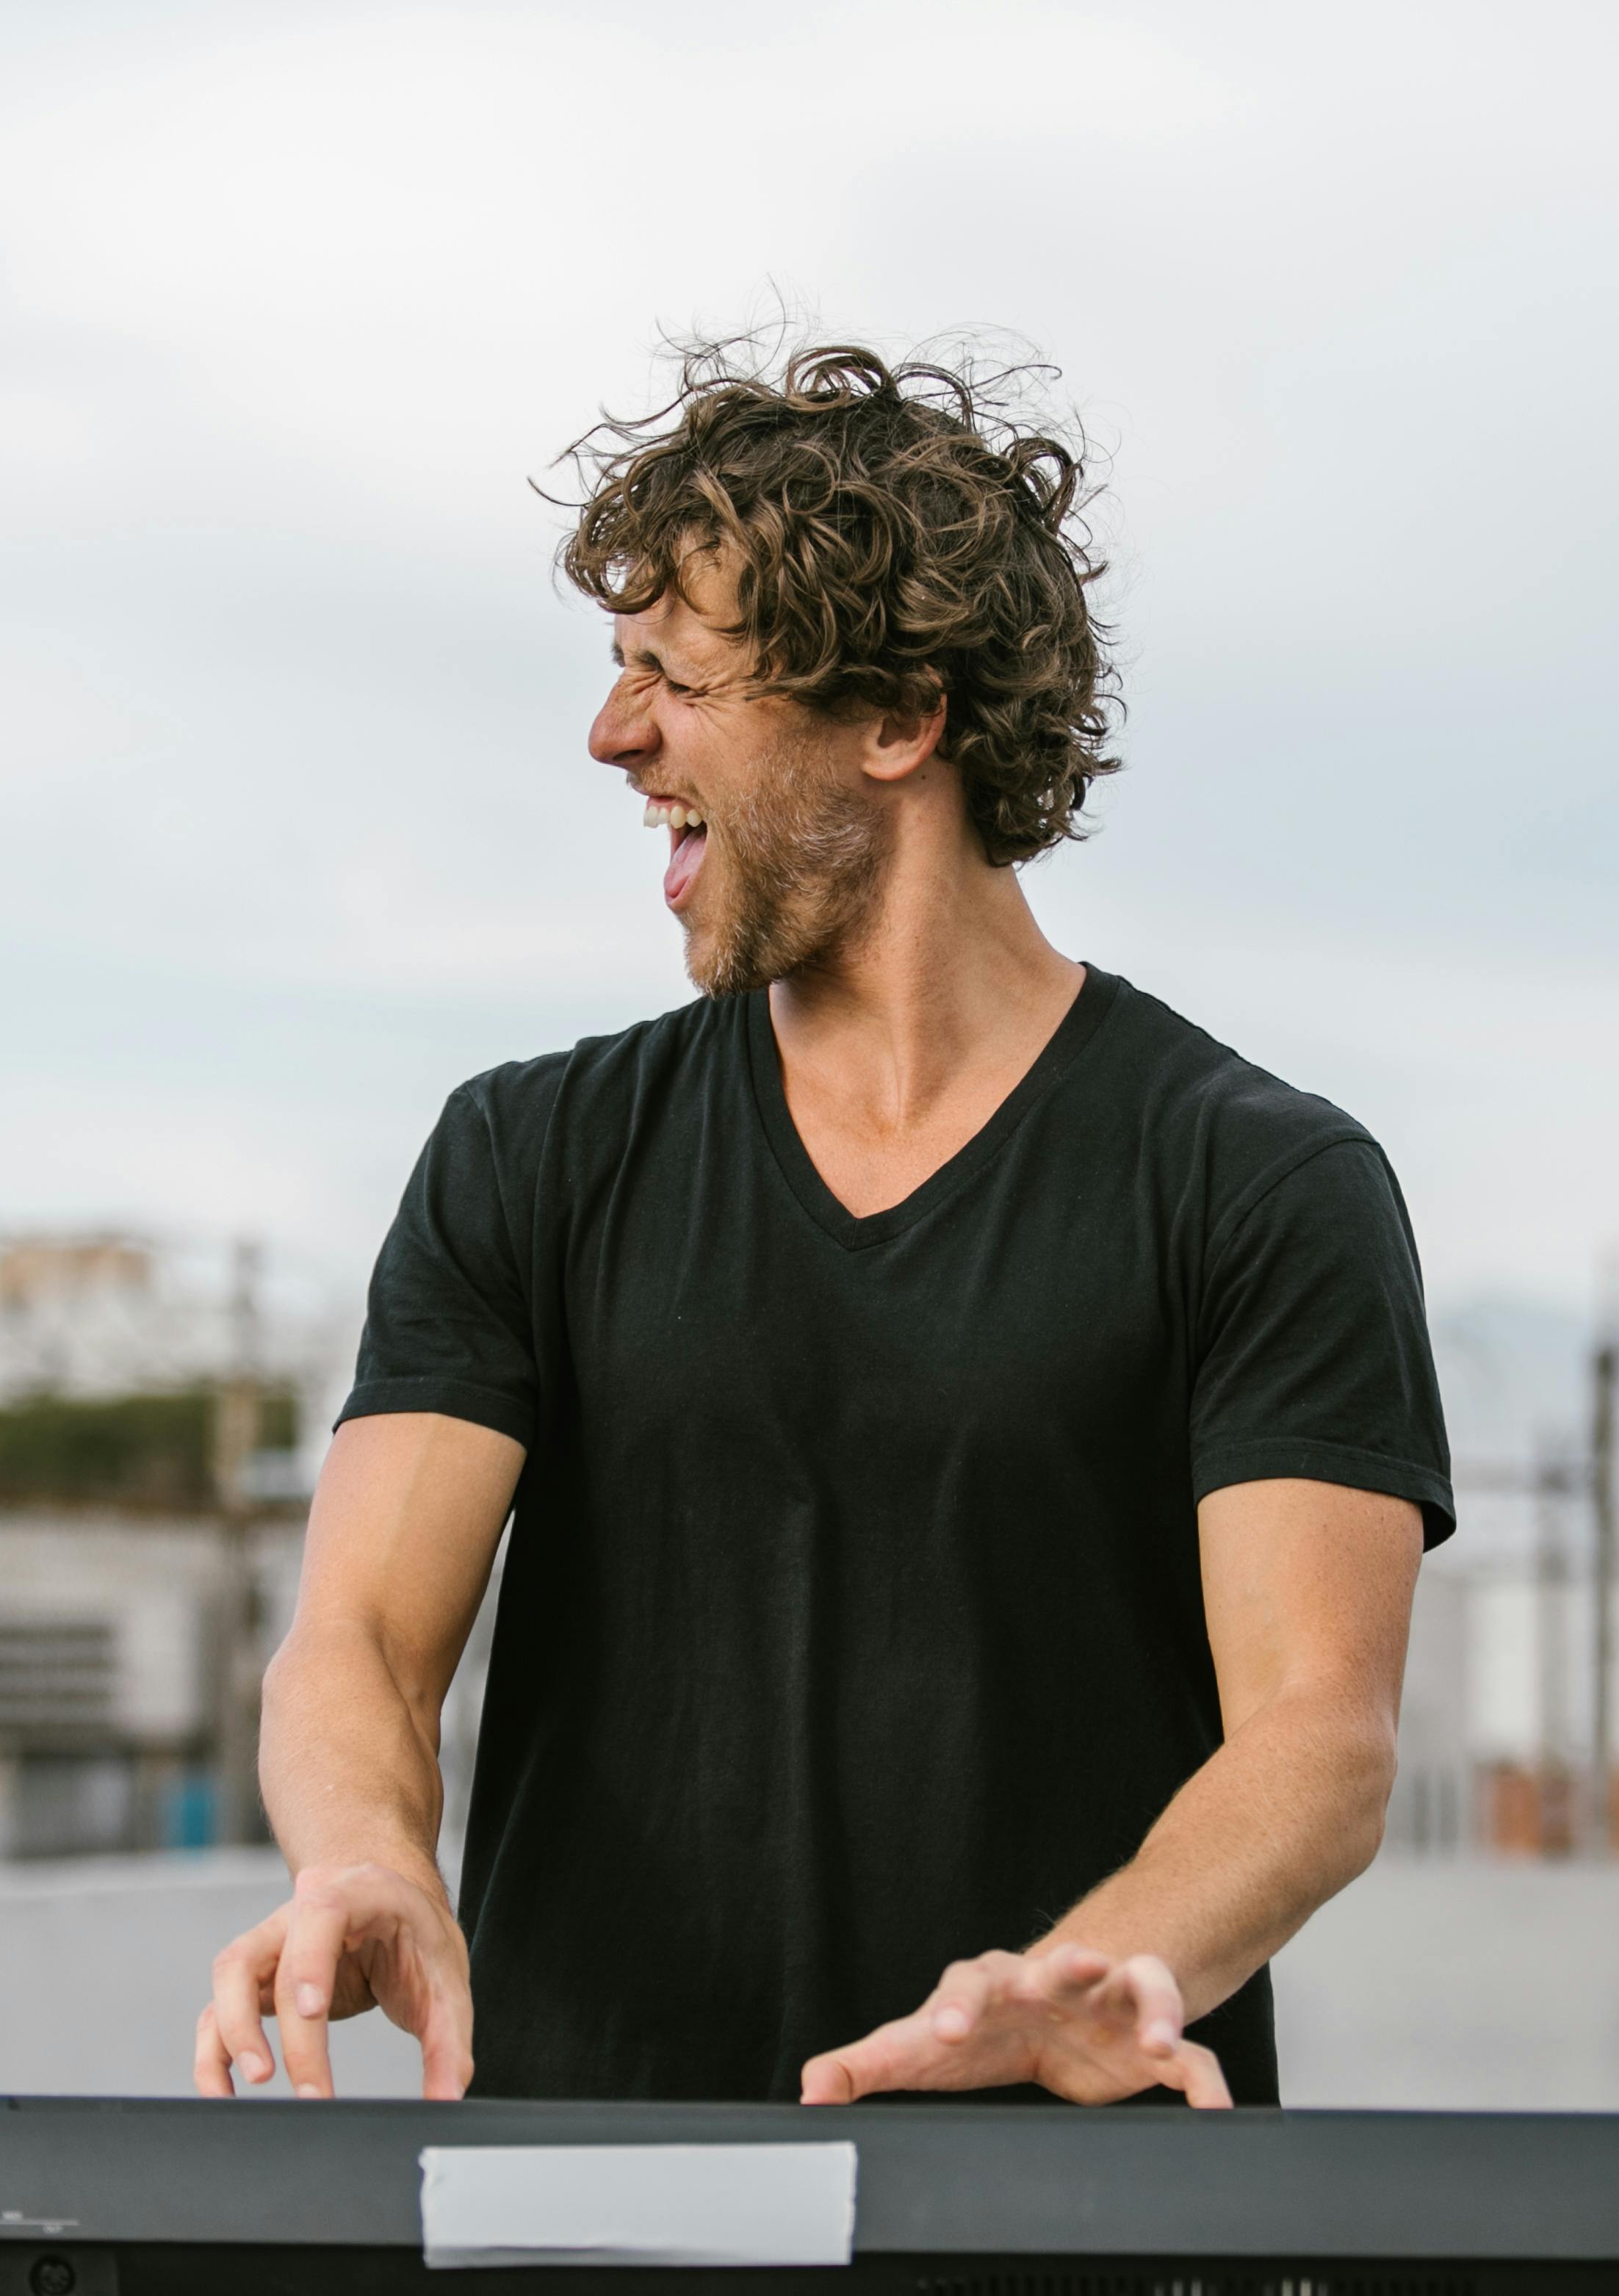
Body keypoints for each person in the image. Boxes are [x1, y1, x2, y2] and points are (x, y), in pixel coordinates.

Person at [193, 342, 1450, 2110]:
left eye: (669, 676)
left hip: (1060, 2223)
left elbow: (1318, 1739)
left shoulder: (1256, 1180)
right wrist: (368, 1862)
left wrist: (1080, 1979)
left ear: (896, 720)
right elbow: (362, 1648)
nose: (612, 735)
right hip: (588, 2214)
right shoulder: (528, 1154)